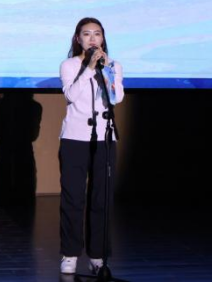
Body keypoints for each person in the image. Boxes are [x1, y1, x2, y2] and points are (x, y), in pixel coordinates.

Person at [58, 18, 125, 276]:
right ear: (78, 39)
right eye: (86, 34)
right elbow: (70, 96)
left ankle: (97, 255)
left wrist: (106, 71)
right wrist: (88, 68)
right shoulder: (69, 65)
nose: (92, 38)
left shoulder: (113, 65)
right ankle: (70, 254)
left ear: (103, 38)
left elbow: (116, 98)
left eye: (97, 34)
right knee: (73, 198)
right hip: (75, 138)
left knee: (101, 198)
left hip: (104, 138)